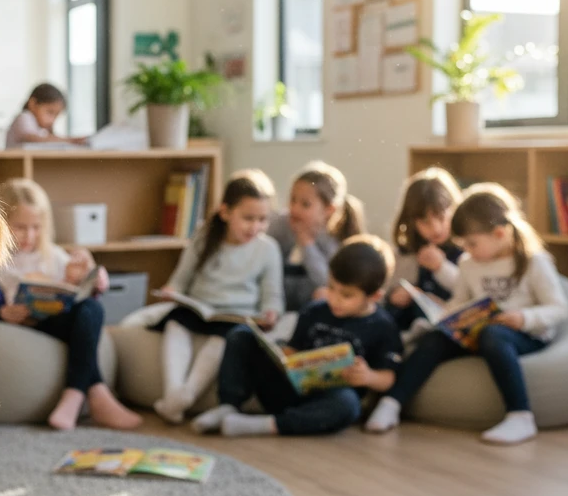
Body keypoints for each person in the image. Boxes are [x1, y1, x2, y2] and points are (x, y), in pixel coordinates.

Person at [365, 184, 568, 445]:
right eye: (463, 245)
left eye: (472, 244)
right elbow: (460, 302)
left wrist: (524, 318)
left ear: (499, 234)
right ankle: (392, 403)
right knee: (434, 340)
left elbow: (559, 308)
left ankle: (520, 415)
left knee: (494, 335)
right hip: (478, 331)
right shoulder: (468, 264)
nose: (467, 251)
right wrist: (444, 320)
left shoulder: (533, 262)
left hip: (524, 334)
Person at [193, 235, 402, 438]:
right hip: (286, 389)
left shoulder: (383, 327)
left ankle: (265, 425)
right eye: (331, 288)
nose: (334, 299)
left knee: (348, 405)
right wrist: (283, 353)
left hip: (326, 401)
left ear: (374, 296)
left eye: (346, 295)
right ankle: (228, 407)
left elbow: (388, 379)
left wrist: (368, 377)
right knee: (241, 334)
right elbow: (294, 350)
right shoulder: (314, 311)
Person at [0, 178, 141, 431]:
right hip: (22, 328)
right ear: (0, 224)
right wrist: (1, 312)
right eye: (20, 227)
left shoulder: (54, 255)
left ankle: (75, 394)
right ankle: (95, 392)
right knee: (86, 319)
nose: (29, 236)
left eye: (36, 227)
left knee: (92, 309)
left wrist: (85, 282)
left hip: (55, 322)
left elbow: (77, 301)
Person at [152, 170, 284, 424]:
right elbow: (181, 279)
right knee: (174, 324)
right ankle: (173, 391)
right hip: (198, 308)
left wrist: (271, 312)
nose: (255, 227)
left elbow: (272, 295)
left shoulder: (268, 250)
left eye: (262, 220)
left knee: (223, 340)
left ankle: (188, 393)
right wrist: (171, 291)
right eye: (248, 218)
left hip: (235, 316)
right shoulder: (204, 237)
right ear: (225, 212)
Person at [267, 161, 365, 311]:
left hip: (313, 310)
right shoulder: (281, 225)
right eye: (293, 200)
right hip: (278, 308)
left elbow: (328, 282)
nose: (295, 208)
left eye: (305, 204)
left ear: (329, 209)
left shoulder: (333, 239)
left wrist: (307, 244)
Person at [385, 167, 464, 332]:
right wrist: (394, 297)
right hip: (411, 321)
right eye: (425, 222)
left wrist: (441, 267)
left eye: (441, 217)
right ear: (412, 222)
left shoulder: (467, 249)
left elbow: (470, 289)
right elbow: (387, 294)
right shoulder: (406, 253)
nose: (435, 228)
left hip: (450, 321)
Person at [5, 83, 86, 148]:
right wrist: (70, 140)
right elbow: (33, 139)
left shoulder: (40, 129)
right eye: (50, 112)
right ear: (33, 104)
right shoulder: (24, 117)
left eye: (56, 116)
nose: (52, 120)